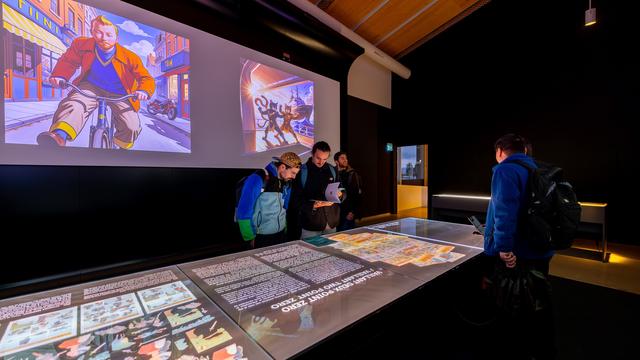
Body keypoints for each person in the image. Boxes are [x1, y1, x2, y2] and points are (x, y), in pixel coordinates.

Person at [484, 133, 555, 359]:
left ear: (500, 151)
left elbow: (504, 213)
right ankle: (538, 345)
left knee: (513, 303)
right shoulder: (541, 170)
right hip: (541, 248)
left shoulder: (505, 170)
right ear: (525, 151)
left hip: (518, 251)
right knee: (537, 298)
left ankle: (515, 348)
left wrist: (503, 248)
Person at [37, 15, 155, 149]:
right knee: (75, 104)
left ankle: (121, 147)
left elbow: (146, 77)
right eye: (98, 33)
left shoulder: (130, 57)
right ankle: (59, 136)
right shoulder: (80, 44)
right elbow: (69, 61)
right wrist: (60, 76)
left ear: (117, 38)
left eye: (109, 34)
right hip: (91, 87)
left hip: (120, 93)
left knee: (131, 126)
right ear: (92, 32)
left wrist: (143, 90)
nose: (104, 38)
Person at [236, 152, 301, 248]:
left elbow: (284, 207)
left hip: (281, 234)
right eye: (293, 173)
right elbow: (243, 210)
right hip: (261, 237)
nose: (294, 177)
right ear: (283, 167)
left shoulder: (287, 183)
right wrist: (249, 237)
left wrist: (284, 228)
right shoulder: (258, 178)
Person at [290, 141, 341, 240]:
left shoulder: (332, 170)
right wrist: (313, 205)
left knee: (332, 253)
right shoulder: (302, 171)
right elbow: (295, 201)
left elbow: (342, 190)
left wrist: (340, 194)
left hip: (331, 225)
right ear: (312, 154)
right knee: (309, 254)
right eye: (318, 158)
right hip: (310, 225)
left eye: (325, 159)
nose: (321, 162)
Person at [334, 151, 362, 231]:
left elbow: (356, 194)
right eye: (342, 158)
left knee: (347, 236)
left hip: (347, 212)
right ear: (336, 161)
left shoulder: (352, 174)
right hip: (335, 213)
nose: (345, 160)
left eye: (346, 158)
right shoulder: (332, 173)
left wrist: (352, 212)